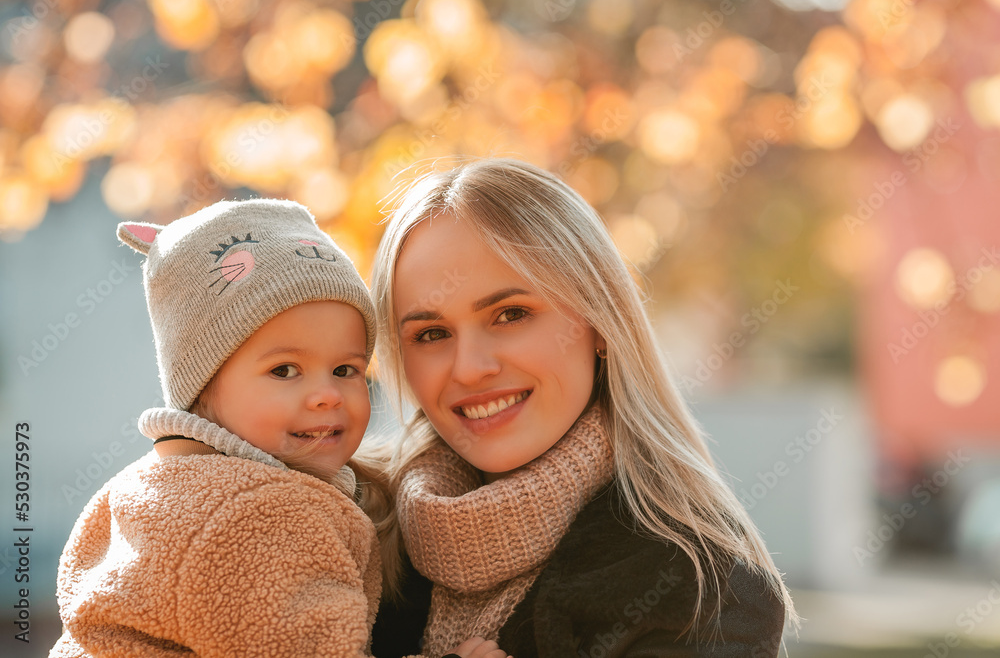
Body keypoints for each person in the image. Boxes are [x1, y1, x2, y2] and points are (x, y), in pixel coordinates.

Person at [369, 158, 797, 657]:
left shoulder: (700, 590)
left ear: (597, 322)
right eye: (431, 334)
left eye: (510, 314)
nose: (468, 369)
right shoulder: (350, 536)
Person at [51, 199, 505, 658]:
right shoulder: (257, 517)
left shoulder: (148, 488)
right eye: (285, 371)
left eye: (346, 370)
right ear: (203, 389)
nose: (327, 395)